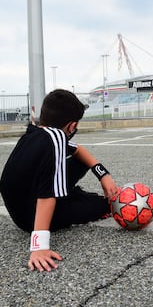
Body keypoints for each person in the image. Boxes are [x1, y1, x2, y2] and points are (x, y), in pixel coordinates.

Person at [0, 89, 118, 272]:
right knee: (103, 205)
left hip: (19, 205)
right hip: (31, 216)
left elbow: (78, 150)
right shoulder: (57, 138)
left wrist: (103, 174)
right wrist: (39, 247)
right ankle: (81, 200)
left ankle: (72, 194)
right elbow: (46, 196)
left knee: (79, 162)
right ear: (72, 126)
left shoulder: (33, 133)